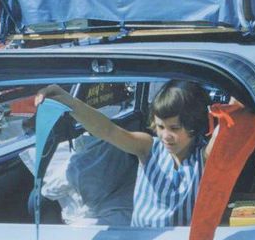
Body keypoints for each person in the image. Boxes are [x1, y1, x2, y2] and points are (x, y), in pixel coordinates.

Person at [36, 80, 216, 227]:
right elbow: (107, 130)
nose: (165, 136)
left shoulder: (204, 156)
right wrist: (69, 101)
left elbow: (230, 129)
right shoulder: (148, 148)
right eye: (160, 127)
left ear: (193, 125)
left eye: (174, 128)